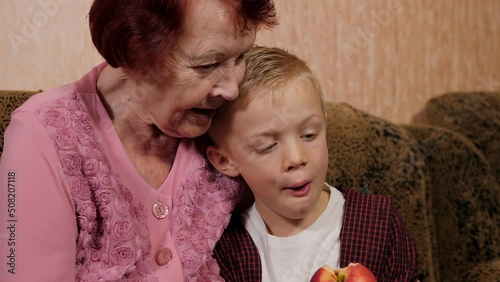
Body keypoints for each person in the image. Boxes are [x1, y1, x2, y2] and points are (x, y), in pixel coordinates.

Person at [0, 1, 277, 281]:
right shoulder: (44, 133)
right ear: (133, 52)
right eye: (207, 64)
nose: (231, 89)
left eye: (241, 56)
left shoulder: (235, 120)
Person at [204, 46, 419, 282]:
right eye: (267, 147)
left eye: (309, 135)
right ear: (225, 161)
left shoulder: (378, 226)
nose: (297, 158)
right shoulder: (226, 252)